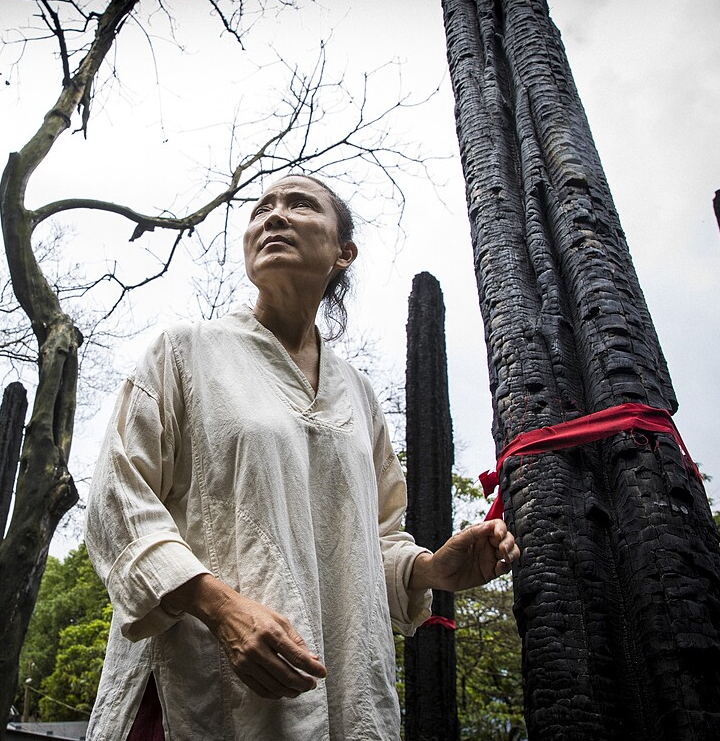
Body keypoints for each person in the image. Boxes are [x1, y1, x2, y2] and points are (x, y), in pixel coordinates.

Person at [84, 174, 520, 740]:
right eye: (261, 209)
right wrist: (221, 608)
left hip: (337, 687)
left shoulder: (359, 394)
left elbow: (371, 541)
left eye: (299, 204)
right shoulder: (185, 353)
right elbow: (117, 502)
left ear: (343, 253)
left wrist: (429, 569)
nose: (273, 216)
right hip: (199, 686)